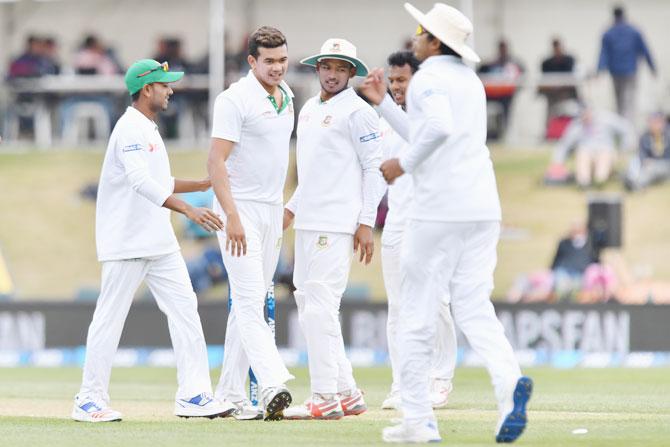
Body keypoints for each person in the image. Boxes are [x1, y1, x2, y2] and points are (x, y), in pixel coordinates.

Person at [362, 3, 532, 443]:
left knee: (416, 315)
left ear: (435, 42)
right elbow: (434, 129)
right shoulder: (470, 82)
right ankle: (509, 383)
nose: (414, 38)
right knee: (474, 307)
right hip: (482, 208)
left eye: (420, 31)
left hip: (438, 209)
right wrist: (384, 105)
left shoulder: (429, 79)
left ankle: (418, 422)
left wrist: (402, 163)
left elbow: (433, 130)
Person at [72, 59, 235, 422]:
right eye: (164, 84)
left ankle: (194, 395)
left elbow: (160, 178)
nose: (170, 90)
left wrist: (201, 185)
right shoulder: (130, 128)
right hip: (127, 241)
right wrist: (189, 210)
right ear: (147, 89)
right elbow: (140, 182)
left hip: (158, 242)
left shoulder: (147, 127)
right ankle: (88, 399)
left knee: (185, 310)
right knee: (109, 319)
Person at [282, 37, 384, 420]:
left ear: (351, 73)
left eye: (342, 68)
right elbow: (312, 172)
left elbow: (375, 168)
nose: (333, 74)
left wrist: (365, 222)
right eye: (328, 66)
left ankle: (324, 397)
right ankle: (347, 391)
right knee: (308, 303)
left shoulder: (358, 112)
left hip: (338, 221)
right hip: (308, 219)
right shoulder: (308, 109)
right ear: (318, 68)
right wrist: (291, 209)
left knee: (320, 307)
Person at [207, 26, 295, 421]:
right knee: (248, 301)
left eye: (282, 60)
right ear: (252, 61)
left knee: (250, 301)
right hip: (238, 208)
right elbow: (215, 161)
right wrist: (232, 217)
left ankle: (228, 394)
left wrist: (281, 210)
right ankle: (274, 381)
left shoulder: (288, 96)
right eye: (269, 61)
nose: (277, 68)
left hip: (269, 210)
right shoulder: (234, 99)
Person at [361, 50, 456, 411]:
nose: (399, 88)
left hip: (431, 219)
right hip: (399, 221)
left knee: (436, 301)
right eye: (395, 81)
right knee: (399, 306)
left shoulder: (433, 117)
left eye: (404, 81)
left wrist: (383, 102)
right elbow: (375, 175)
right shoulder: (383, 122)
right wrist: (367, 221)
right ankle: (403, 383)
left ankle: (439, 378)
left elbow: (419, 139)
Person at [549, 104, 635, 188]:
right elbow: (564, 144)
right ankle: (584, 183)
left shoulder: (606, 118)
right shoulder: (577, 125)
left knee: (604, 157)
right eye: (582, 115)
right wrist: (558, 162)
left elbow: (626, 129)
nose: (585, 117)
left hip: (605, 151)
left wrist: (623, 149)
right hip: (586, 153)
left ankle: (600, 181)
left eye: (587, 113)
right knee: (583, 154)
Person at [597, 6, 656, 124]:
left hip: (615, 72)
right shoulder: (634, 31)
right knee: (629, 100)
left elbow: (603, 54)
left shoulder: (608, 33)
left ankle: (622, 125)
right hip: (630, 71)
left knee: (619, 100)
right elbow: (645, 50)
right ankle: (627, 125)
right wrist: (652, 67)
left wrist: (599, 70)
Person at [477, 39, 524, 139]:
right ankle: (484, 132)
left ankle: (505, 132)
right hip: (491, 94)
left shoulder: (513, 64)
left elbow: (521, 77)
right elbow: (480, 72)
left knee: (506, 109)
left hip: (506, 96)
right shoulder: (491, 64)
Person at [539, 38, 578, 133]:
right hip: (552, 94)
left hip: (567, 93)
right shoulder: (547, 63)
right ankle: (549, 133)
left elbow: (572, 77)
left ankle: (570, 133)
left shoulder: (569, 60)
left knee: (569, 112)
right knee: (551, 114)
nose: (557, 49)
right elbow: (544, 79)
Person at [624, 112, 670, 191]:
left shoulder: (667, 136)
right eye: (652, 122)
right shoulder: (645, 137)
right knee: (635, 160)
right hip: (648, 165)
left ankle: (637, 184)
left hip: (664, 165)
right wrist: (644, 160)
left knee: (651, 169)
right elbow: (641, 153)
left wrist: (654, 162)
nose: (655, 125)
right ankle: (631, 178)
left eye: (657, 122)